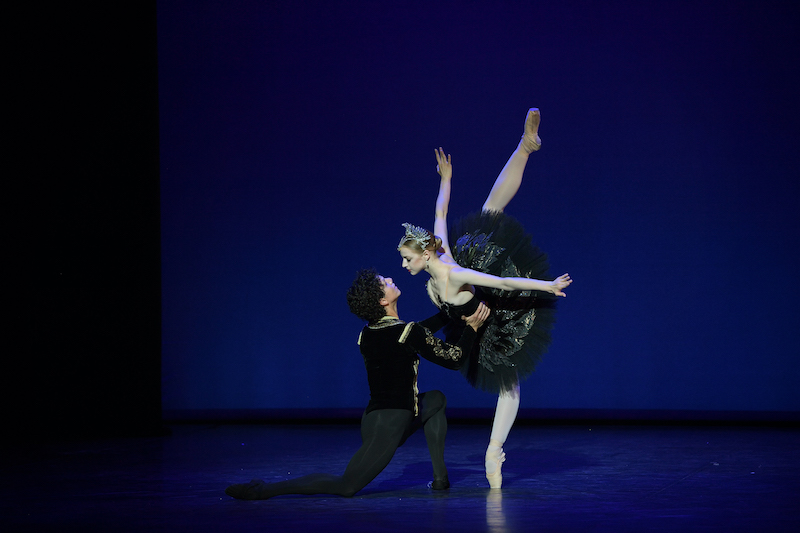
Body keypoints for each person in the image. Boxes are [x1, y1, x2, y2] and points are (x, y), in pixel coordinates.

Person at [397, 108, 572, 488]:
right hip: (463, 319)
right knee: (488, 212)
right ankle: (524, 148)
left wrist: (546, 286)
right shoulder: (438, 252)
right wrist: (447, 179)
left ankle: (494, 449)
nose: (404, 264)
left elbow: (504, 282)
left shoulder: (450, 271)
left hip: (489, 320)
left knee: (509, 384)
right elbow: (440, 209)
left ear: (425, 254)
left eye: (407, 258)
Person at [224, 269, 490, 500]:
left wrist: (450, 313)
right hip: (391, 423)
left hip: (375, 418)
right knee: (346, 486)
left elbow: (415, 332)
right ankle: (263, 490)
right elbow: (454, 359)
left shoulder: (368, 333)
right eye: (383, 282)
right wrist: (473, 328)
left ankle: (441, 479)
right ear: (383, 300)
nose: (389, 278)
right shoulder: (406, 333)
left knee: (436, 399)